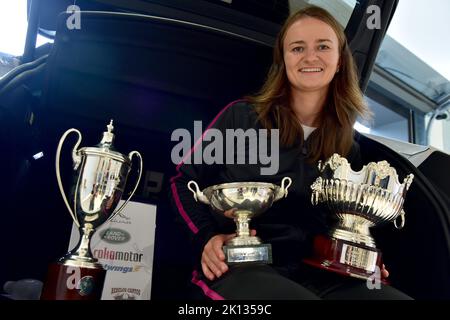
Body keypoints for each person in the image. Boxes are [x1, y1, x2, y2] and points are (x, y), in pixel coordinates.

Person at [169, 6, 411, 300]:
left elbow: (342, 225)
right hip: (240, 267)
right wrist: (206, 238)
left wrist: (362, 258)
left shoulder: (349, 147)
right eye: (298, 48)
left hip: (318, 274)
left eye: (323, 46)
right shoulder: (242, 118)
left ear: (339, 62)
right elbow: (182, 181)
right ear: (283, 61)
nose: (310, 57)